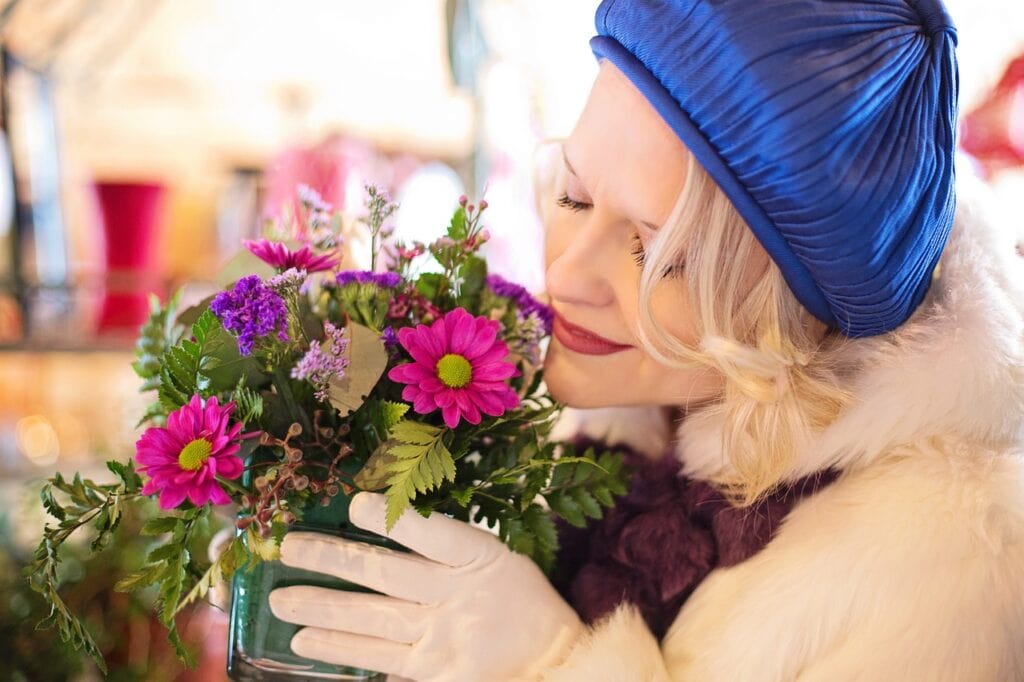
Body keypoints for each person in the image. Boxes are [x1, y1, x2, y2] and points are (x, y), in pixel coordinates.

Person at [267, 0, 1024, 679]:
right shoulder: (630, 414)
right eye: (573, 195)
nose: (567, 273)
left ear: (794, 311)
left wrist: (550, 662)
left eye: (661, 256)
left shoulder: (961, 570)